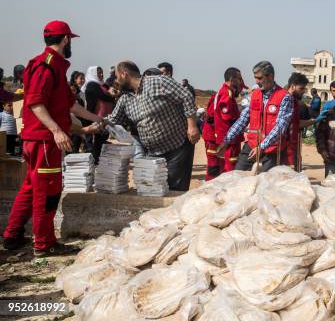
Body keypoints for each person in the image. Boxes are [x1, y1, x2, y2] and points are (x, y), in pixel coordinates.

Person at [3, 20, 104, 256]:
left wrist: (96, 119)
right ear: (66, 39)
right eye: (71, 40)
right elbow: (36, 103)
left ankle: (12, 236)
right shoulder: (45, 65)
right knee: (47, 193)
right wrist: (57, 131)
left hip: (40, 140)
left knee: (30, 188)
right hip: (43, 141)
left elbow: (69, 105)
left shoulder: (56, 66)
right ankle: (44, 244)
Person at [109, 61, 200, 191]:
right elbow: (112, 120)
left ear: (124, 74)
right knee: (155, 190)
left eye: (117, 77)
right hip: (153, 153)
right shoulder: (125, 99)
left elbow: (186, 96)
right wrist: (88, 126)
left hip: (178, 146)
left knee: (174, 191)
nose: (116, 81)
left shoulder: (158, 82)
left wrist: (192, 126)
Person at [218, 61, 294, 173]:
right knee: (238, 176)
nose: (256, 81)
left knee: (264, 185)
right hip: (252, 145)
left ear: (270, 76)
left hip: (271, 150)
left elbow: (280, 127)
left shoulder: (284, 97)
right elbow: (243, 120)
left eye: (259, 78)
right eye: (255, 78)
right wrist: (226, 140)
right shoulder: (255, 95)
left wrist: (262, 147)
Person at [213, 68, 245, 175]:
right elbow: (227, 118)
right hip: (230, 139)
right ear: (232, 79)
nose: (241, 82)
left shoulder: (225, 92)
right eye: (239, 79)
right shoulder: (226, 95)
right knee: (231, 168)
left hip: (228, 138)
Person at [84, 66, 115, 163]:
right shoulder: (92, 85)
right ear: (93, 73)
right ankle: (95, 162)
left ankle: (100, 162)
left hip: (105, 117)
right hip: (97, 118)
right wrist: (112, 95)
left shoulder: (101, 85)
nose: (101, 75)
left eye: (102, 72)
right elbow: (104, 97)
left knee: (102, 141)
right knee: (97, 142)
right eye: (98, 73)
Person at [285, 73, 311, 170]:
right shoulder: (284, 100)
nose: (303, 92)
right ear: (292, 86)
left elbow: (297, 124)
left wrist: (315, 120)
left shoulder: (295, 102)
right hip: (283, 148)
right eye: (301, 89)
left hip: (293, 146)